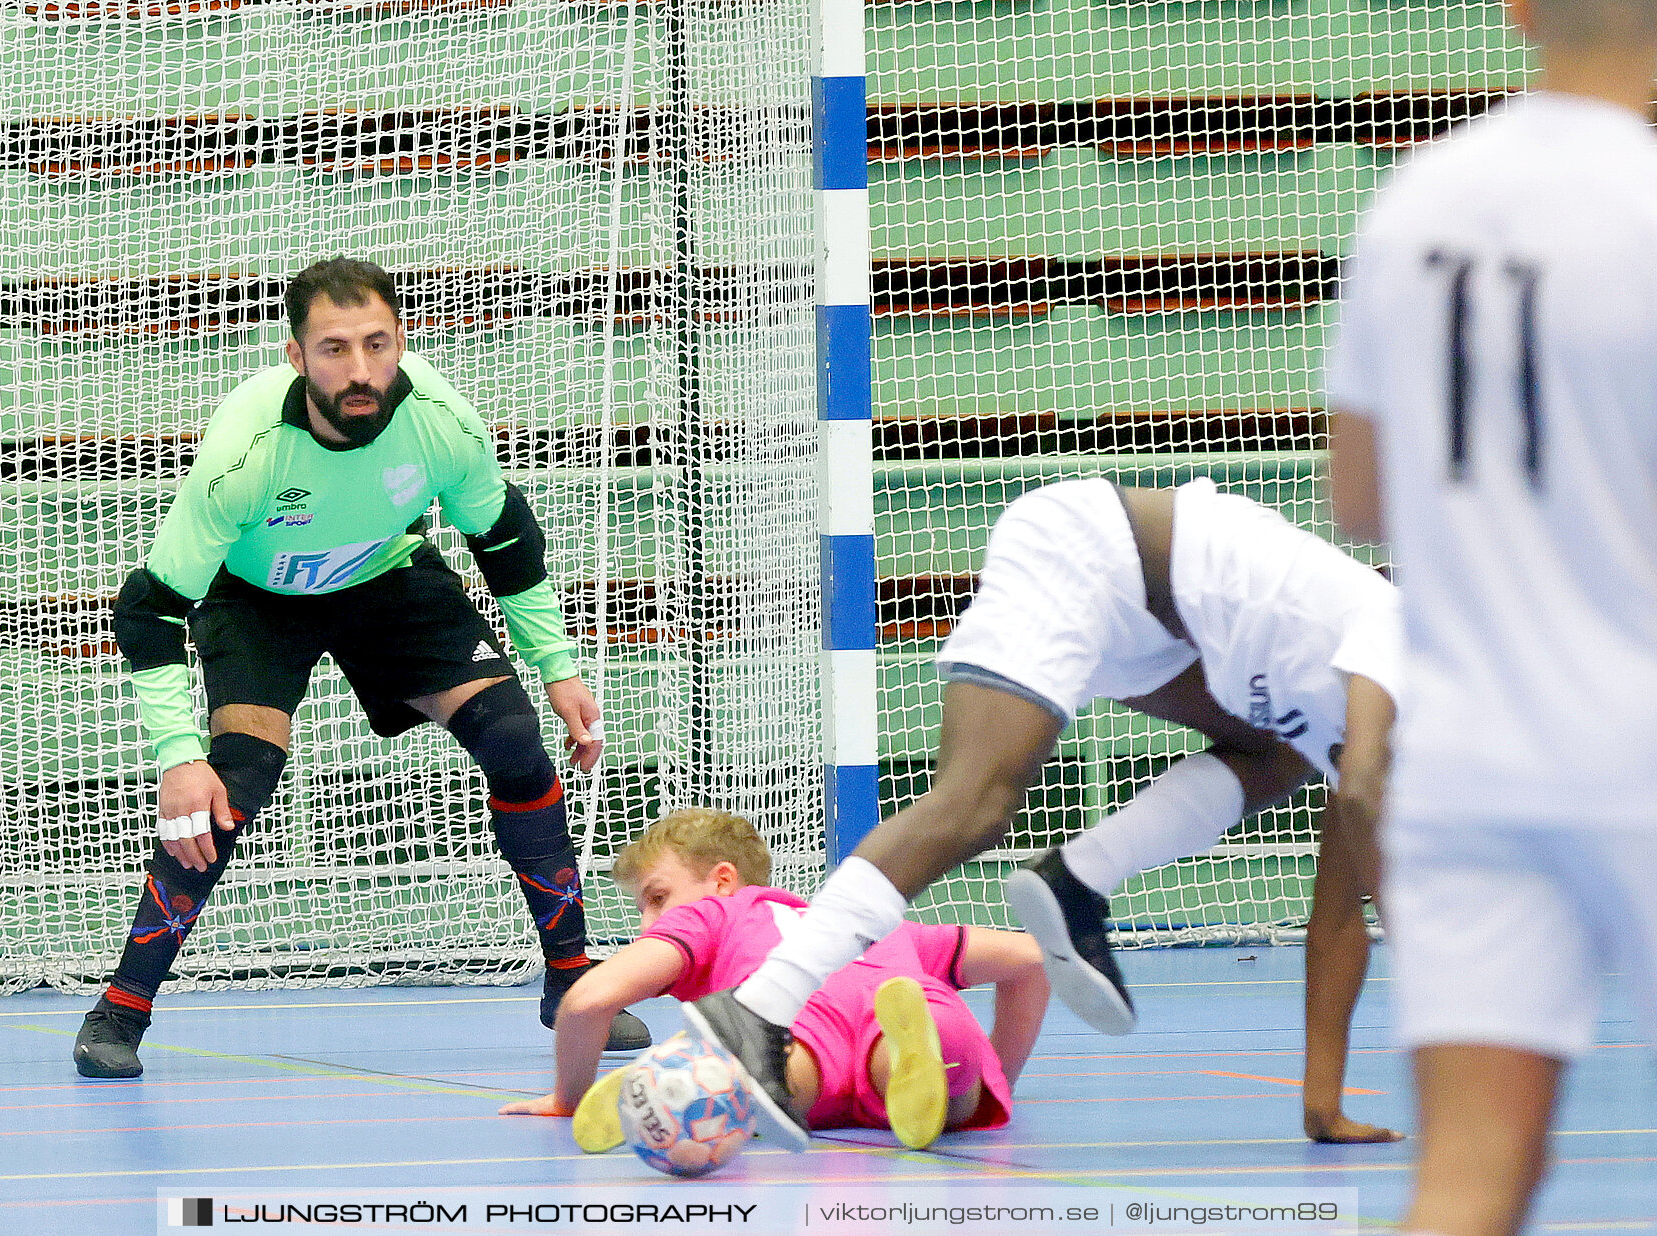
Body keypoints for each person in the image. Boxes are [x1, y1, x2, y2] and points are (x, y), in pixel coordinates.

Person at [686, 478, 1402, 1149]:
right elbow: (1372, 806)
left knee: (1275, 754)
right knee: (975, 803)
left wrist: (1322, 1104)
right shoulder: (1405, 650)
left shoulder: (1366, 749)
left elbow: (1341, 915)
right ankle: (756, 1008)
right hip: (1092, 551)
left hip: (1155, 631)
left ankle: (1077, 877)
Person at [72, 258, 650, 1079]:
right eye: (334, 349)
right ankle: (121, 1008)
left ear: (402, 341)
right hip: (257, 595)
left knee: (516, 739)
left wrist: (557, 668)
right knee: (235, 780)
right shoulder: (247, 455)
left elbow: (508, 541)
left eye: (377, 344)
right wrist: (177, 755)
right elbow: (151, 609)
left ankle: (571, 981)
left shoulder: (442, 422)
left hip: (384, 577)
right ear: (295, 356)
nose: (359, 369)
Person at [1327, 0, 1657, 1228]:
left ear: (1516, 8)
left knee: (1466, 1180)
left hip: (1467, 762)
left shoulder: (1416, 201)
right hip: (1638, 738)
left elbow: (1359, 497)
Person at [499, 807, 1050, 1151]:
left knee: (762, 1070)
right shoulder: (869, 923)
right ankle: (933, 1068)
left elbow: (588, 1000)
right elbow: (1032, 960)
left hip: (788, 1026)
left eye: (658, 899)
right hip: (898, 992)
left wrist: (569, 1096)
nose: (649, 924)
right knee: (946, 1055)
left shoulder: (717, 914)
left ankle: (670, 1090)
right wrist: (997, 1076)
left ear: (723, 881)